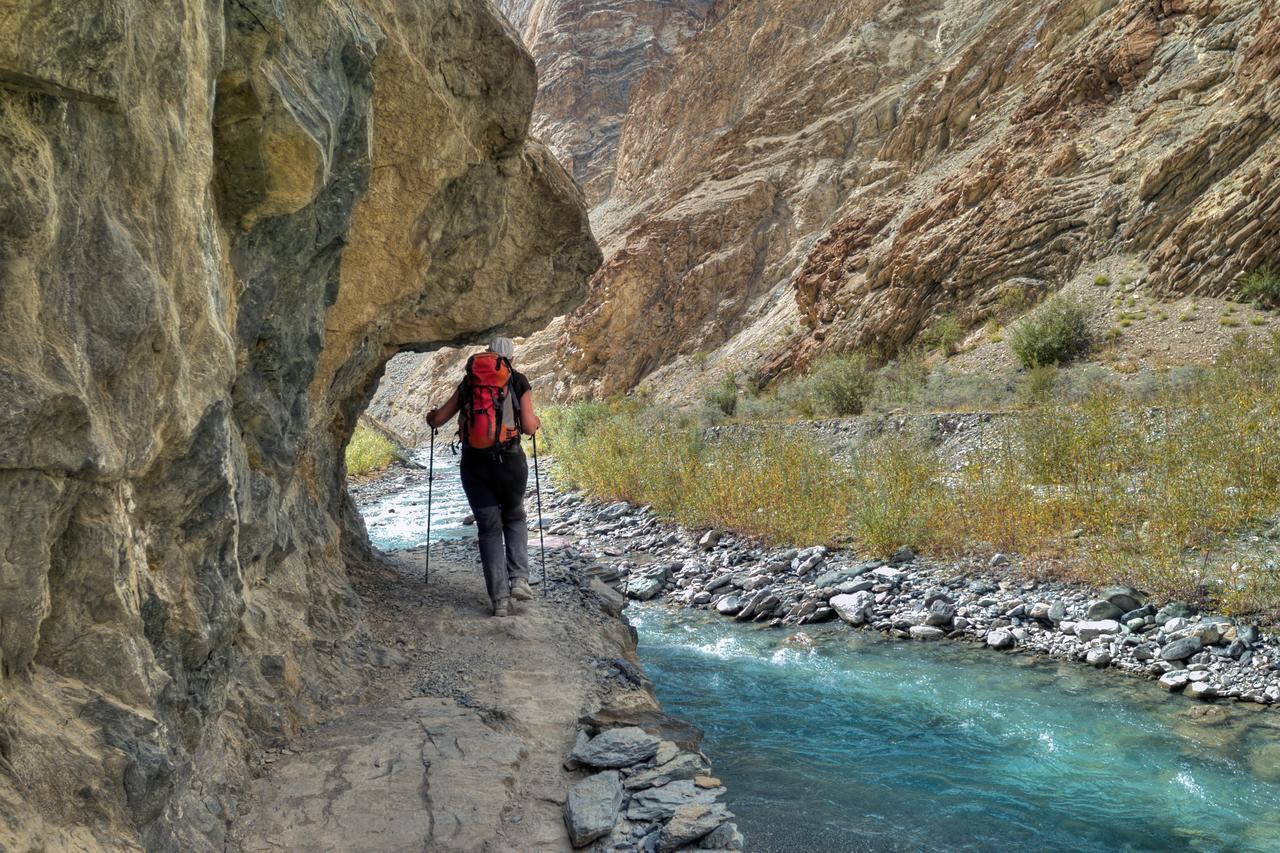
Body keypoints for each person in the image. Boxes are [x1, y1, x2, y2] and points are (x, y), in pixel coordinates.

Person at [426, 337, 541, 617]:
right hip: (510, 463)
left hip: (475, 466)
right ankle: (519, 580)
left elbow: (439, 418)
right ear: (510, 358)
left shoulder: (470, 383)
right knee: (514, 516)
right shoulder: (517, 380)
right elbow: (528, 426)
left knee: (489, 529)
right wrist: (536, 423)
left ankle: (500, 601)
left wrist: (431, 418)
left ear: (488, 354)